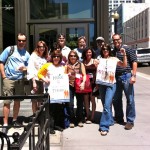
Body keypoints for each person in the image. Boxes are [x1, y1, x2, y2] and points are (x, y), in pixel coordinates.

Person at [0, 33, 30, 134]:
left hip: (20, 80)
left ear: (25, 42)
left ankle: (14, 120)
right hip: (8, 79)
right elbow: (1, 61)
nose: (21, 42)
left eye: (23, 41)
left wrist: (24, 69)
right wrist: (4, 76)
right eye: (19, 40)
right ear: (17, 40)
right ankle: (5, 124)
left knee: (17, 101)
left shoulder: (26, 54)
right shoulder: (10, 49)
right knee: (7, 102)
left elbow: (29, 68)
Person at [96, 43, 127, 136]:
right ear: (102, 50)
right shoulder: (99, 59)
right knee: (105, 104)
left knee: (106, 105)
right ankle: (109, 120)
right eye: (104, 49)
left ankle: (104, 126)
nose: (105, 51)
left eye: (107, 49)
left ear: (109, 50)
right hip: (101, 84)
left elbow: (124, 65)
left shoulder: (114, 59)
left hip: (111, 84)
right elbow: (94, 67)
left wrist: (124, 54)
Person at [112, 34, 137, 130]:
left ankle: (130, 121)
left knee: (130, 99)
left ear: (121, 40)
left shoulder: (128, 49)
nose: (116, 42)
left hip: (127, 76)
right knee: (116, 99)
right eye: (114, 40)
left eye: (117, 40)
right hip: (116, 78)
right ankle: (119, 118)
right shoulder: (113, 51)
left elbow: (134, 61)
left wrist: (134, 76)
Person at [38, 50, 67, 133]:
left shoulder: (63, 66)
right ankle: (50, 127)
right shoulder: (47, 65)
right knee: (50, 110)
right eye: (54, 56)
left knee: (59, 109)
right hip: (50, 91)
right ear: (52, 58)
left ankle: (57, 125)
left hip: (60, 91)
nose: (56, 58)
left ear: (60, 58)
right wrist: (44, 78)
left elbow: (65, 76)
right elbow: (39, 74)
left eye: (58, 57)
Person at [27, 41, 49, 115]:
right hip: (35, 80)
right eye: (40, 47)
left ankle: (39, 116)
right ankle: (34, 116)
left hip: (42, 81)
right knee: (34, 100)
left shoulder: (45, 57)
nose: (42, 48)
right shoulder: (33, 56)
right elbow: (30, 69)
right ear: (37, 47)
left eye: (43, 47)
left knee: (40, 100)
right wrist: (33, 82)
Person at [66, 50, 86, 127]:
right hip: (69, 85)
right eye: (71, 56)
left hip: (79, 85)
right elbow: (63, 75)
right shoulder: (66, 65)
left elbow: (84, 75)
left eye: (74, 56)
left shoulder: (81, 64)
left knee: (80, 103)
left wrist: (83, 83)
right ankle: (72, 120)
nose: (73, 57)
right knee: (70, 104)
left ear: (77, 57)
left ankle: (79, 119)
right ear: (69, 57)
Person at [82, 47, 99, 123]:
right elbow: (83, 73)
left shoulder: (95, 61)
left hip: (93, 83)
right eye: (87, 52)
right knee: (85, 99)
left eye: (90, 52)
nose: (88, 54)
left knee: (92, 99)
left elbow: (99, 72)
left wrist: (97, 83)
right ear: (85, 53)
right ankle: (88, 115)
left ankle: (92, 116)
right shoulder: (83, 62)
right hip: (86, 83)